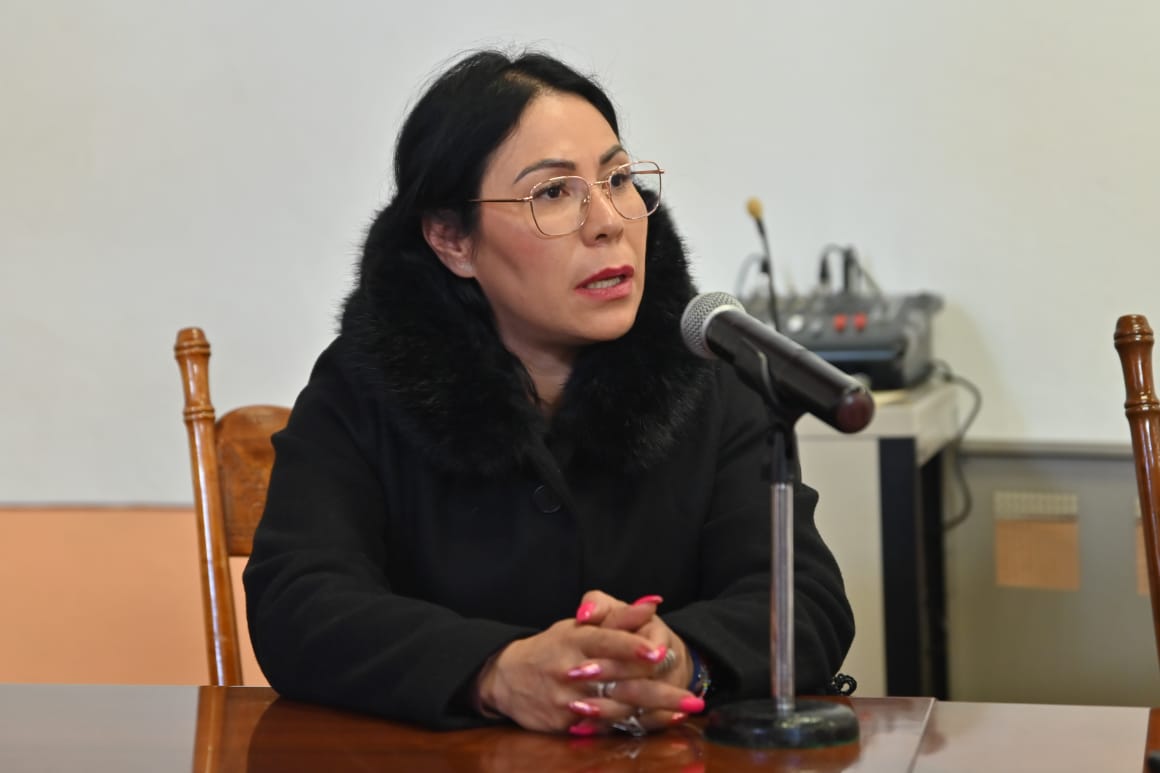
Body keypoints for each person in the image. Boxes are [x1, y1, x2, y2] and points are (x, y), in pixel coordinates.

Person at [243, 48, 854, 736]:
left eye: (617, 179)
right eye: (553, 193)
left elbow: (808, 600)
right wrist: (494, 671)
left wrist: (680, 661)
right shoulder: (365, 384)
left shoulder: (705, 369)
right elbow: (295, 601)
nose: (608, 221)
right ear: (451, 239)